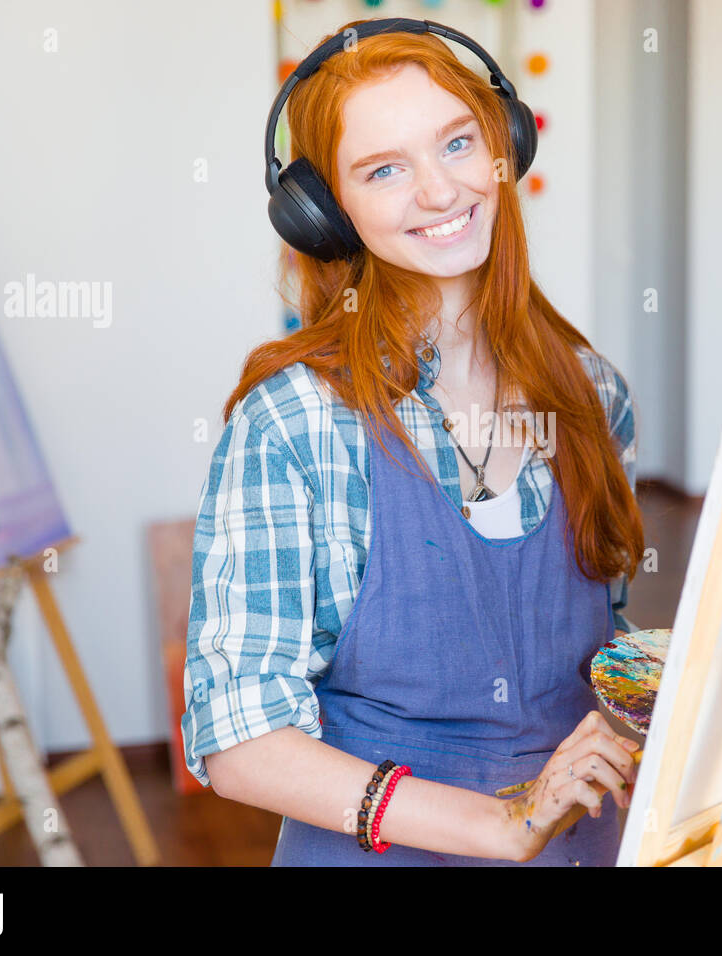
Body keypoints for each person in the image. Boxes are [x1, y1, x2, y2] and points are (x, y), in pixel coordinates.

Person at [181, 18, 645, 866]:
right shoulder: (296, 425)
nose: (439, 191)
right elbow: (237, 737)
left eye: (458, 143)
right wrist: (499, 824)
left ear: (504, 149)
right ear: (326, 213)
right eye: (384, 169)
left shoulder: (592, 394)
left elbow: (598, 654)